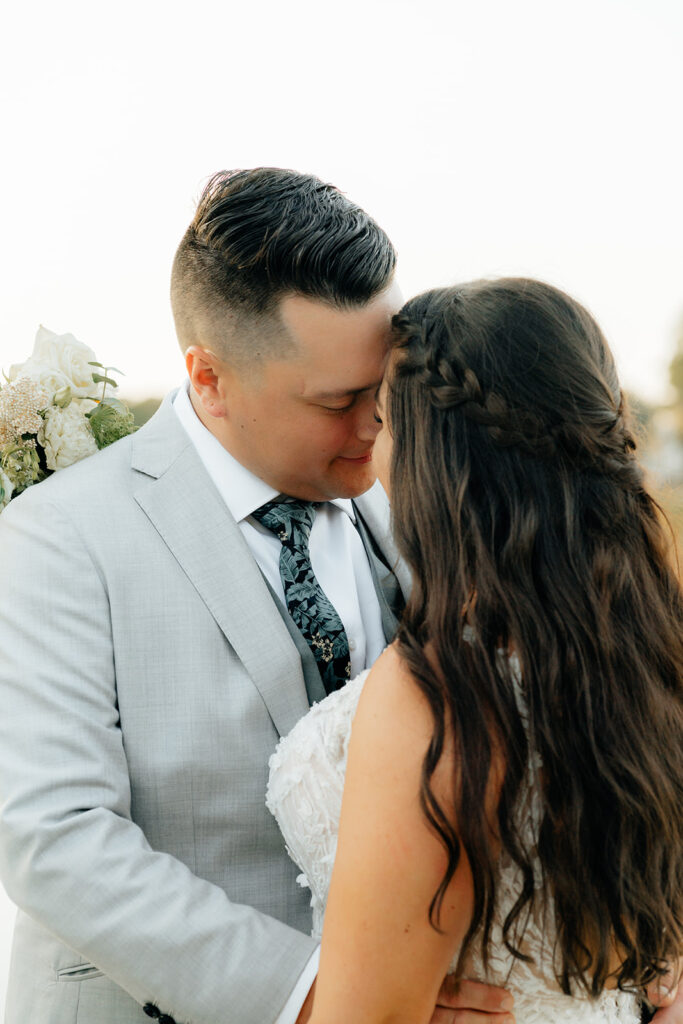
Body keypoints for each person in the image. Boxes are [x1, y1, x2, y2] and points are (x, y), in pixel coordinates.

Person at [0, 170, 513, 1024]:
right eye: (336, 401)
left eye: (383, 392)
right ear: (208, 377)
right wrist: (320, 999)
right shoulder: (60, 536)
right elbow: (52, 835)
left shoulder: (419, 504)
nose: (374, 427)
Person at [267, 278, 683, 1024]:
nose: (368, 439)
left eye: (386, 419)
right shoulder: (649, 641)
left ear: (442, 463)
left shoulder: (439, 691)